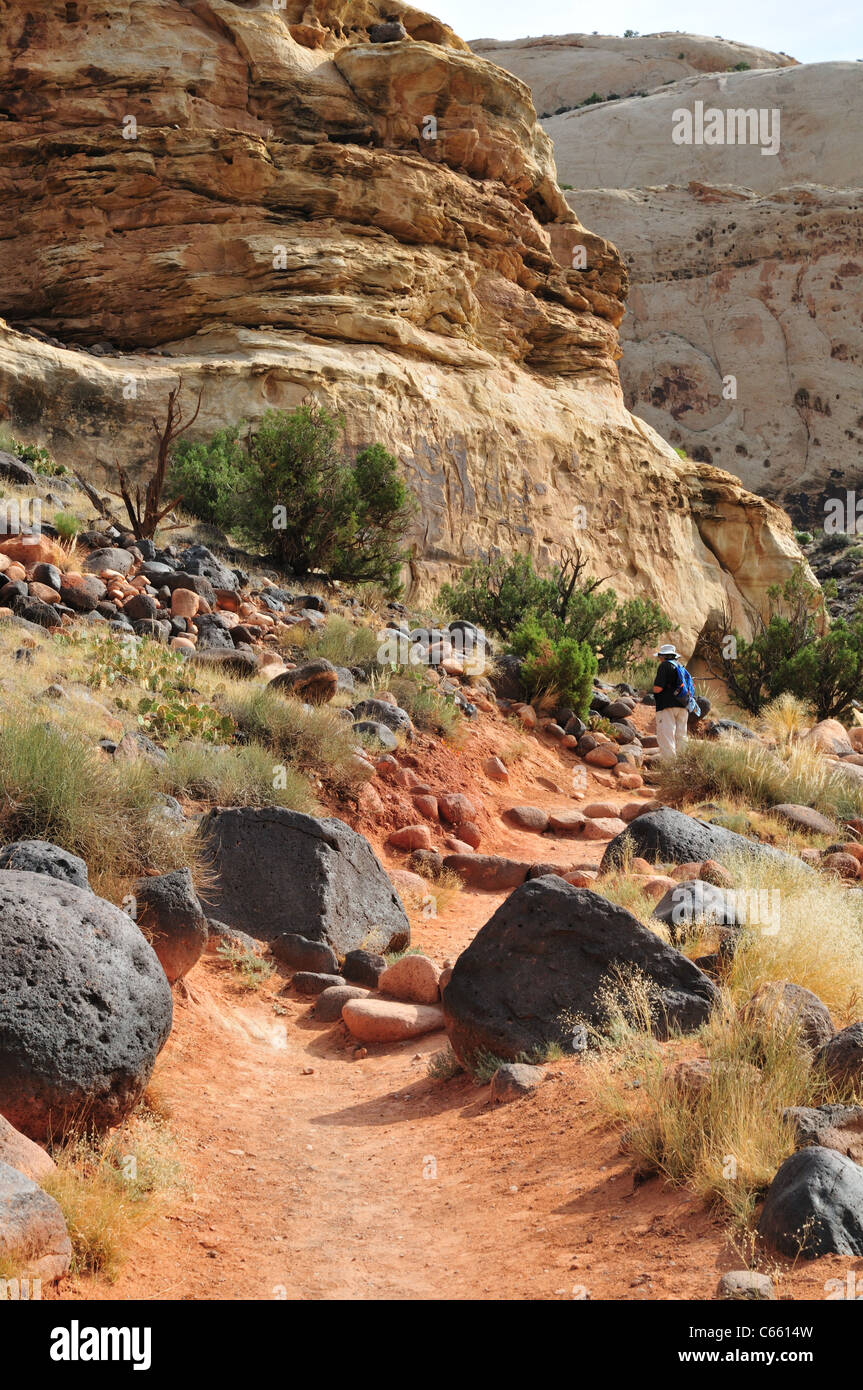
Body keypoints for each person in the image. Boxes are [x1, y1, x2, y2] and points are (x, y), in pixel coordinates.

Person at [652, 642, 695, 760]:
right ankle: (682, 762)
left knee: (666, 734)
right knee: (681, 735)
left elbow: (658, 688)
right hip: (683, 705)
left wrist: (653, 690)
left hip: (667, 705)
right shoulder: (680, 667)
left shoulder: (664, 666)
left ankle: (669, 765)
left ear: (662, 656)